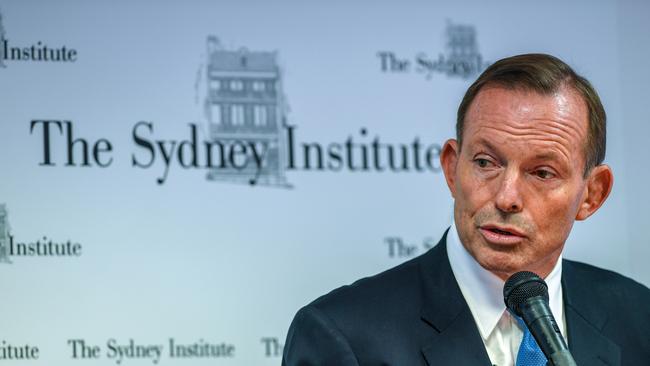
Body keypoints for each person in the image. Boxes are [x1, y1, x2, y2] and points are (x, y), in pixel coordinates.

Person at [282, 54, 650, 365]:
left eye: (541, 172)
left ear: (592, 195)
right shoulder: (343, 336)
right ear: (452, 168)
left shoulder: (639, 317)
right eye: (486, 163)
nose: (507, 197)